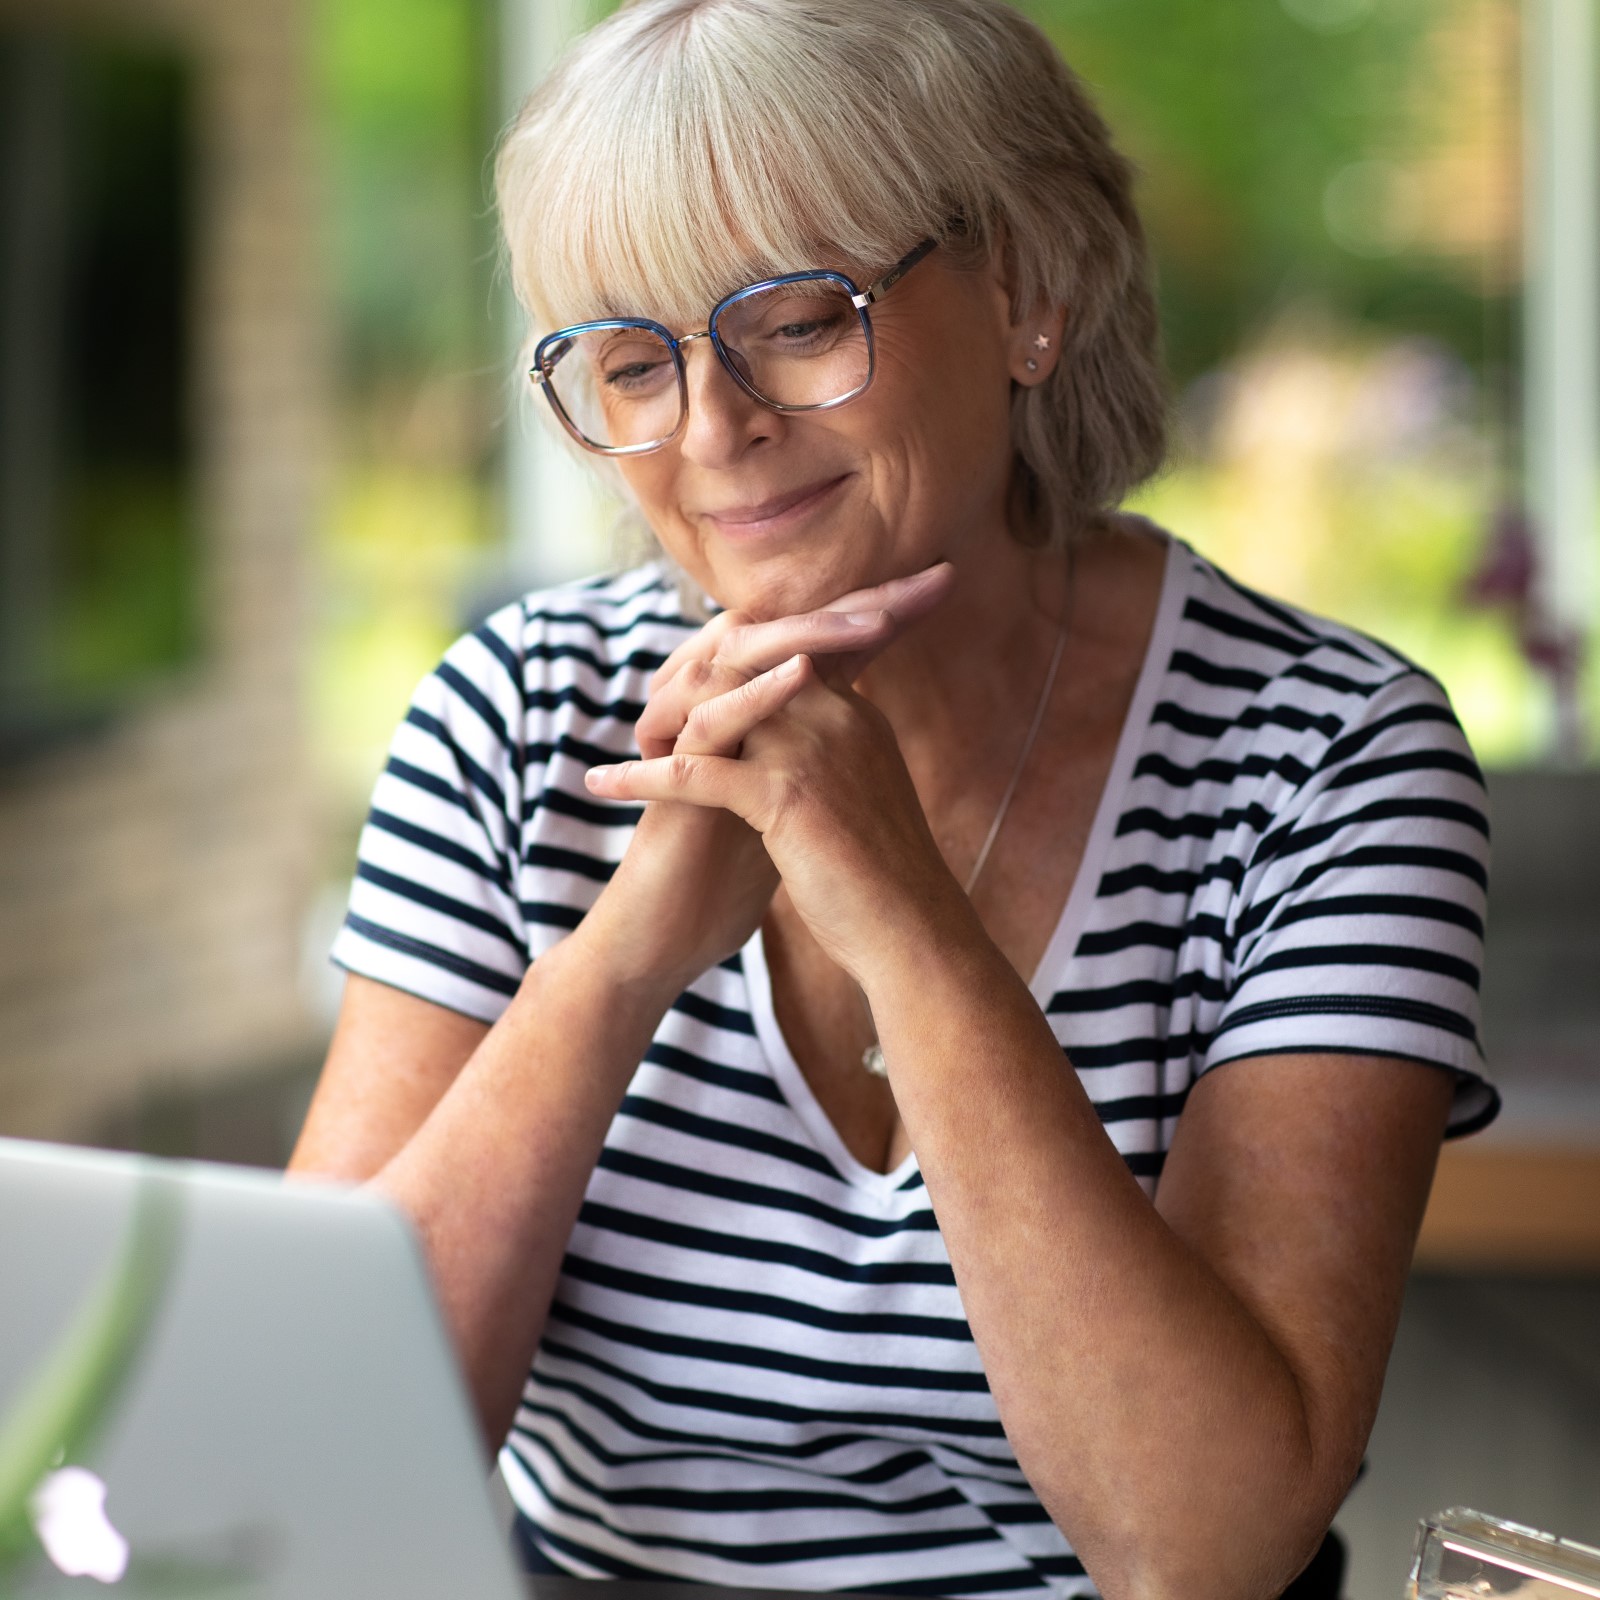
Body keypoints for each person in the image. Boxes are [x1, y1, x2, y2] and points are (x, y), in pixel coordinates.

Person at [289, 2, 1497, 1596]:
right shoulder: (518, 720)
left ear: (1026, 292)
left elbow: (1204, 1548)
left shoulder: (1328, 759)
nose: (714, 431)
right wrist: (625, 952)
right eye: (634, 361)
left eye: (795, 319)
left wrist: (908, 922)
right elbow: (311, 1460)